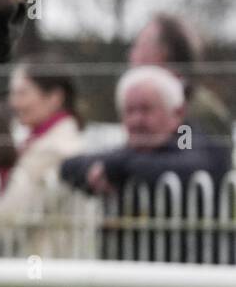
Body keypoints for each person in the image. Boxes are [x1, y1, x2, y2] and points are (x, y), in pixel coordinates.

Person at [60, 65, 231, 195]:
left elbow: (189, 165)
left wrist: (114, 168)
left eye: (146, 109)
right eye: (129, 111)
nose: (136, 120)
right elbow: (69, 167)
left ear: (177, 113)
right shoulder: (134, 150)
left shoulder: (192, 140)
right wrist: (105, 169)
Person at [0, 57, 82, 230]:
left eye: (22, 93)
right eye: (12, 94)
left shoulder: (56, 149)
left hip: (47, 255)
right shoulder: (36, 141)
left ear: (54, 97)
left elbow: (12, 215)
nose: (13, 102)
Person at [128, 12, 232, 161]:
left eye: (140, 46)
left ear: (164, 54)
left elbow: (190, 164)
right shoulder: (147, 104)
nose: (132, 55)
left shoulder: (197, 110)